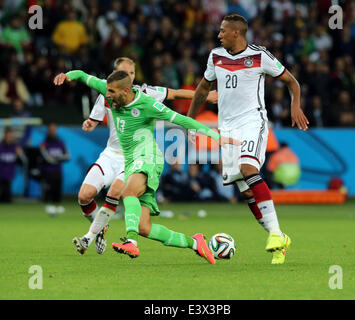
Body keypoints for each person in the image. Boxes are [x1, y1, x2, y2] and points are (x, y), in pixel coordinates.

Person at [54, 69, 240, 264]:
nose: (106, 95)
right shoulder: (108, 90)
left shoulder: (147, 104)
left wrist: (218, 137)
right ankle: (195, 243)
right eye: (106, 90)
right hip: (131, 160)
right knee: (145, 227)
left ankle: (131, 242)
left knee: (127, 193)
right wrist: (68, 75)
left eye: (111, 92)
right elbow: (83, 76)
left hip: (148, 157)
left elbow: (183, 119)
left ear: (126, 92)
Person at [187, 14, 309, 264]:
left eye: (223, 31)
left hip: (253, 121)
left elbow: (291, 81)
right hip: (228, 129)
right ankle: (280, 239)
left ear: (237, 33)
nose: (219, 34)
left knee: (248, 168)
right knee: (245, 189)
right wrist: (189, 120)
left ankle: (275, 233)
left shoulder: (260, 55)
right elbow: (202, 89)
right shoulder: (215, 56)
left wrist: (295, 105)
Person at [39, 122, 70, 215]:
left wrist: (56, 158)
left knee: (57, 192)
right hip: (47, 172)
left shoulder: (61, 143)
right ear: (48, 131)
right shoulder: (44, 144)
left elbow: (67, 156)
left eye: (54, 129)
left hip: (58, 171)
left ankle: (57, 208)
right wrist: (59, 158)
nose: (52, 131)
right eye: (51, 129)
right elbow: (48, 159)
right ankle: (48, 208)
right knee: (48, 192)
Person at [0, 127, 26, 202]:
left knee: (7, 197)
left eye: (11, 136)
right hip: (1, 174)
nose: (9, 138)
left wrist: (20, 154)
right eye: (8, 136)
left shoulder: (15, 147)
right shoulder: (0, 146)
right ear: (5, 136)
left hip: (9, 174)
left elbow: (23, 162)